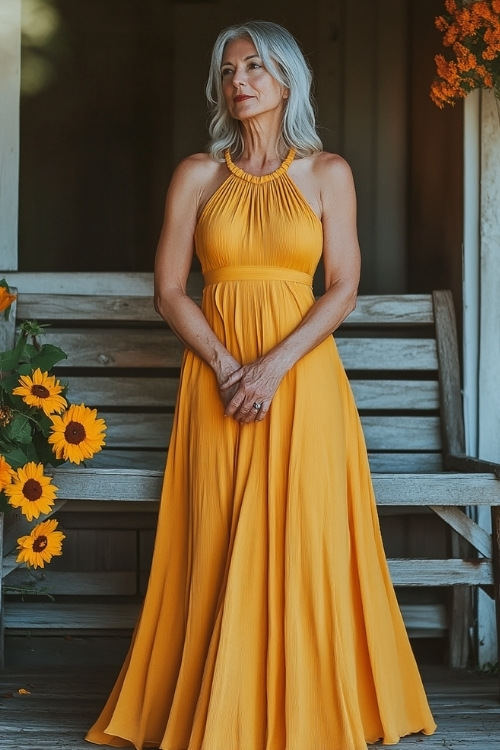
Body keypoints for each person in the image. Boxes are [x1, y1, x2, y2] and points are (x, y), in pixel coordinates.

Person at [86, 20, 437, 750]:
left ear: (287, 80)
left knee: (306, 538)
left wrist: (273, 367)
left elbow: (342, 287)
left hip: (303, 383)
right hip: (215, 380)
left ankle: (313, 710)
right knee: (214, 535)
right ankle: (221, 712)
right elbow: (168, 290)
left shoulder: (328, 173)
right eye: (227, 71)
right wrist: (225, 365)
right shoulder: (197, 175)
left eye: (254, 68)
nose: (238, 81)